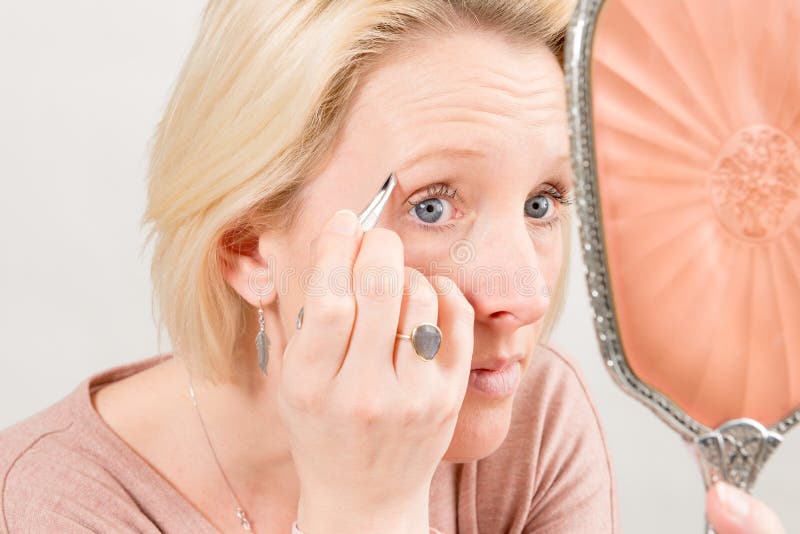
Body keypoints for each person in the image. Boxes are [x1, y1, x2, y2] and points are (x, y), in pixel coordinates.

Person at [0, 1, 788, 533]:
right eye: (434, 204)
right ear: (248, 248)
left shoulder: (532, 425)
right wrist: (364, 508)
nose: (523, 294)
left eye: (544, 200)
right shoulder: (54, 506)